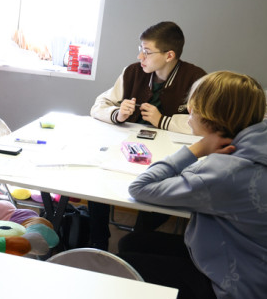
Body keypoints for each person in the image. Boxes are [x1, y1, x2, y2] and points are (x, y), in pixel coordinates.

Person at [118, 71, 267, 299]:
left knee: (123, 266)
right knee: (133, 242)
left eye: (193, 108)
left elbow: (140, 187)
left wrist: (196, 149)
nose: (189, 113)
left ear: (211, 117)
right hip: (265, 279)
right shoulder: (263, 146)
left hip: (241, 297)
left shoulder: (226, 172)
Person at [88, 21, 206, 249]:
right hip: (128, 149)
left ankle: (137, 240)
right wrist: (117, 114)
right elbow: (98, 105)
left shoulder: (196, 79)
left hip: (170, 156)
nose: (140, 57)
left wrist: (163, 121)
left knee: (159, 189)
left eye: (147, 51)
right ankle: (98, 241)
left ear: (169, 55)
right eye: (140, 49)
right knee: (98, 179)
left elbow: (206, 123)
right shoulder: (133, 72)